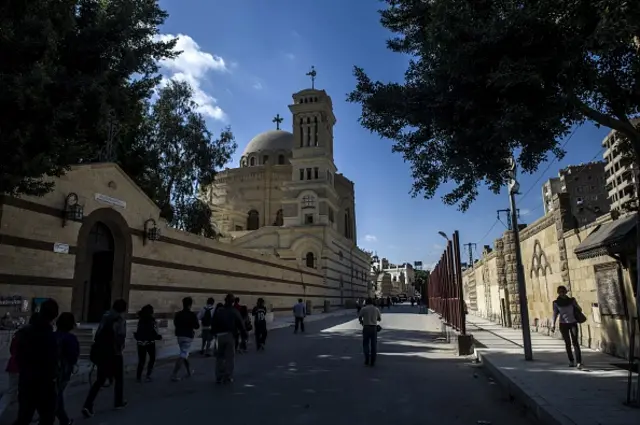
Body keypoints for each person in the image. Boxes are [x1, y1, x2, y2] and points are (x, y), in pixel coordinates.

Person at [13, 299, 60, 425]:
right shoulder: (50, 336)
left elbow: (15, 351)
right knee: (47, 417)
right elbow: (52, 361)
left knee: (24, 417)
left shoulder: (24, 332)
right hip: (44, 382)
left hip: (27, 378)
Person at [82, 298, 128, 418]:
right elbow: (120, 336)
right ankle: (118, 402)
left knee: (100, 380)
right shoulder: (119, 319)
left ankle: (88, 404)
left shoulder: (105, 316)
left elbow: (98, 334)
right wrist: (120, 348)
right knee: (119, 378)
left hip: (101, 352)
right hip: (114, 353)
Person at [211, 294, 247, 383]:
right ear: (233, 302)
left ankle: (219, 375)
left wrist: (213, 334)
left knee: (220, 357)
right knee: (229, 357)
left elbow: (213, 323)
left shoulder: (219, 311)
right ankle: (228, 376)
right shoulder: (234, 311)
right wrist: (244, 337)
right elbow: (241, 325)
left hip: (219, 336)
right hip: (230, 335)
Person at [55, 312, 80, 425]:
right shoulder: (71, 338)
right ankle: (63, 419)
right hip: (62, 371)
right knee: (58, 395)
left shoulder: (52, 335)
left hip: (50, 369)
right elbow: (73, 356)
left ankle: (63, 419)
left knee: (56, 394)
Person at [551, 285, 584, 369]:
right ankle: (571, 361)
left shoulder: (572, 300)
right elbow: (555, 314)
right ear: (558, 293)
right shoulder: (556, 303)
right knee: (568, 343)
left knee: (575, 342)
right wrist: (553, 325)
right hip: (563, 324)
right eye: (560, 292)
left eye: (563, 291)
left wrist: (576, 306)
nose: (562, 293)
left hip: (573, 323)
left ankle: (579, 362)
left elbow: (580, 309)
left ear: (566, 292)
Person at [170, 297, 199, 382]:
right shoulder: (192, 315)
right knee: (183, 355)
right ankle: (174, 374)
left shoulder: (178, 314)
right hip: (188, 336)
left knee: (184, 353)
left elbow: (175, 323)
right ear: (190, 305)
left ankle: (189, 371)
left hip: (179, 336)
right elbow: (196, 326)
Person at [134, 305, 162, 382]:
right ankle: (148, 375)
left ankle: (138, 376)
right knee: (152, 358)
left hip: (140, 342)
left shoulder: (141, 320)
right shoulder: (151, 320)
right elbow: (153, 332)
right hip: (150, 342)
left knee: (141, 360)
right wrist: (158, 337)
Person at [358, 297, 382, 367]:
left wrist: (362, 322)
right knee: (373, 344)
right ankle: (373, 360)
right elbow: (379, 319)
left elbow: (360, 317)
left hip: (366, 327)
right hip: (374, 328)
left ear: (366, 302)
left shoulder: (364, 309)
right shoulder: (376, 309)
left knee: (365, 343)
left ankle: (367, 358)